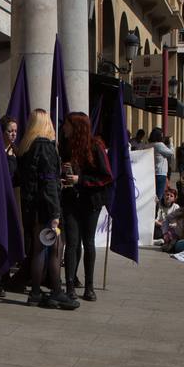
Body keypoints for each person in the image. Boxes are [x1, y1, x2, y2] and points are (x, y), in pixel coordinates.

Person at [18, 110, 78, 310]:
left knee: (37, 249)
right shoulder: (46, 147)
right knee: (54, 249)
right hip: (46, 206)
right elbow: (49, 183)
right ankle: (56, 291)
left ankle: (35, 292)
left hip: (32, 206)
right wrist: (54, 214)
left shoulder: (27, 147)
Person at [59, 112, 112, 301]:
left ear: (76, 127)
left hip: (91, 201)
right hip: (71, 199)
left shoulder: (95, 146)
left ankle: (89, 287)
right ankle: (70, 285)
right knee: (72, 243)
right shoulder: (66, 145)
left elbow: (106, 176)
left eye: (66, 124)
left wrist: (79, 179)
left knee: (88, 242)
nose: (64, 127)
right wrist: (64, 174)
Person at [148, 128, 172, 202]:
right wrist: (171, 143)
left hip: (151, 173)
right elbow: (171, 153)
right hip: (160, 173)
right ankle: (157, 210)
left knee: (151, 195)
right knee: (159, 196)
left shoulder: (148, 145)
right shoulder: (159, 145)